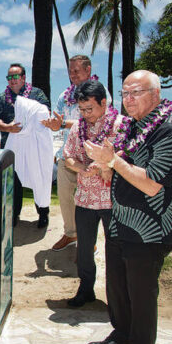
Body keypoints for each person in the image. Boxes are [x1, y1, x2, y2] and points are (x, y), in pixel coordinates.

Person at [83, 70, 172, 344]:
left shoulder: (171, 131)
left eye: (136, 93)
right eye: (125, 93)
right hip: (121, 223)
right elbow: (122, 165)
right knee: (118, 286)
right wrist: (102, 166)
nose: (129, 100)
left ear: (155, 95)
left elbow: (152, 184)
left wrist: (112, 161)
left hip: (151, 229)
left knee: (141, 293)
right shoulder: (132, 126)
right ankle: (122, 333)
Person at [62, 80, 128, 307]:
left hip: (113, 200)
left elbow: (126, 158)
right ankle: (85, 289)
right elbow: (68, 156)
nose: (85, 114)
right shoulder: (77, 128)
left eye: (89, 108)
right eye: (81, 110)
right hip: (85, 199)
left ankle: (117, 295)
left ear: (104, 102)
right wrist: (80, 168)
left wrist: (104, 165)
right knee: (84, 249)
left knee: (116, 249)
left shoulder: (121, 124)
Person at [42, 55, 111, 251]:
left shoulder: (100, 92)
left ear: (88, 70)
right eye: (70, 71)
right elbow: (58, 123)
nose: (72, 74)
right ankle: (71, 234)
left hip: (93, 158)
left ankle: (89, 241)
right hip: (68, 155)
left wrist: (62, 124)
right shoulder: (64, 96)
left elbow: (99, 118)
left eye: (76, 70)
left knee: (92, 202)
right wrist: (54, 125)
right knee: (65, 198)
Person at [0, 63, 50, 227]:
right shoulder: (2, 97)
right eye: (9, 77)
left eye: (15, 76)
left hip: (34, 145)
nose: (12, 80)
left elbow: (45, 111)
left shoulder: (36, 94)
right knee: (13, 181)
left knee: (38, 178)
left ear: (24, 78)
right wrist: (7, 127)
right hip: (11, 146)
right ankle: (14, 215)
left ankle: (43, 214)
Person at [3, 95, 53, 227]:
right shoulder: (17, 131)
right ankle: (14, 215)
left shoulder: (38, 103)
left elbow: (44, 114)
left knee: (40, 181)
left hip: (38, 152)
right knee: (15, 183)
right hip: (21, 150)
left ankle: (43, 213)